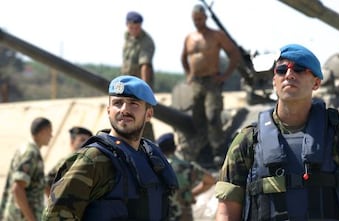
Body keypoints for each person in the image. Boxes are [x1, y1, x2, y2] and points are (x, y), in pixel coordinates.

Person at [215, 44, 339, 221]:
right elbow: (226, 213)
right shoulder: (248, 141)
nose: (289, 74)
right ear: (274, 81)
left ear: (316, 82)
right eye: (281, 69)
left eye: (300, 69)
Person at [42, 75, 178, 220]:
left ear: (148, 114)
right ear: (108, 111)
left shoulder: (153, 160)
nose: (124, 110)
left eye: (133, 103)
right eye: (118, 103)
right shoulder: (94, 159)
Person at [180, 4, 241, 165]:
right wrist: (189, 75)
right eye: (195, 19)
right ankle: (203, 149)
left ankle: (218, 150)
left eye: (200, 18)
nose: (197, 22)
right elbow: (184, 57)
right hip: (196, 82)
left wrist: (226, 75)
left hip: (212, 80)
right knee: (197, 117)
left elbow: (234, 53)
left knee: (213, 115)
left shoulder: (216, 36)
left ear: (205, 18)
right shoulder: (190, 38)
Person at [0, 117, 53, 221]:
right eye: (49, 132)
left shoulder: (29, 150)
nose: (51, 136)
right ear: (43, 132)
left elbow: (39, 183)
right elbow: (17, 188)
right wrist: (31, 219)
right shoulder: (30, 153)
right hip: (20, 217)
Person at [156, 132, 216, 221]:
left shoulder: (153, 170)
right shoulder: (186, 167)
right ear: (175, 147)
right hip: (184, 215)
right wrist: (191, 194)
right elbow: (210, 181)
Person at [121, 10, 156, 141]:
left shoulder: (146, 42)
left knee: (141, 117)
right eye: (131, 27)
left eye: (137, 28)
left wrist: (144, 89)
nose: (134, 30)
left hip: (138, 86)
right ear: (127, 25)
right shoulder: (127, 37)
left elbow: (145, 66)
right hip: (126, 85)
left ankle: (149, 144)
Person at [44, 126, 93, 197]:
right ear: (72, 142)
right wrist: (54, 202)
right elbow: (46, 183)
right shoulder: (68, 160)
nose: (86, 143)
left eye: (88, 141)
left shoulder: (87, 162)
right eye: (82, 140)